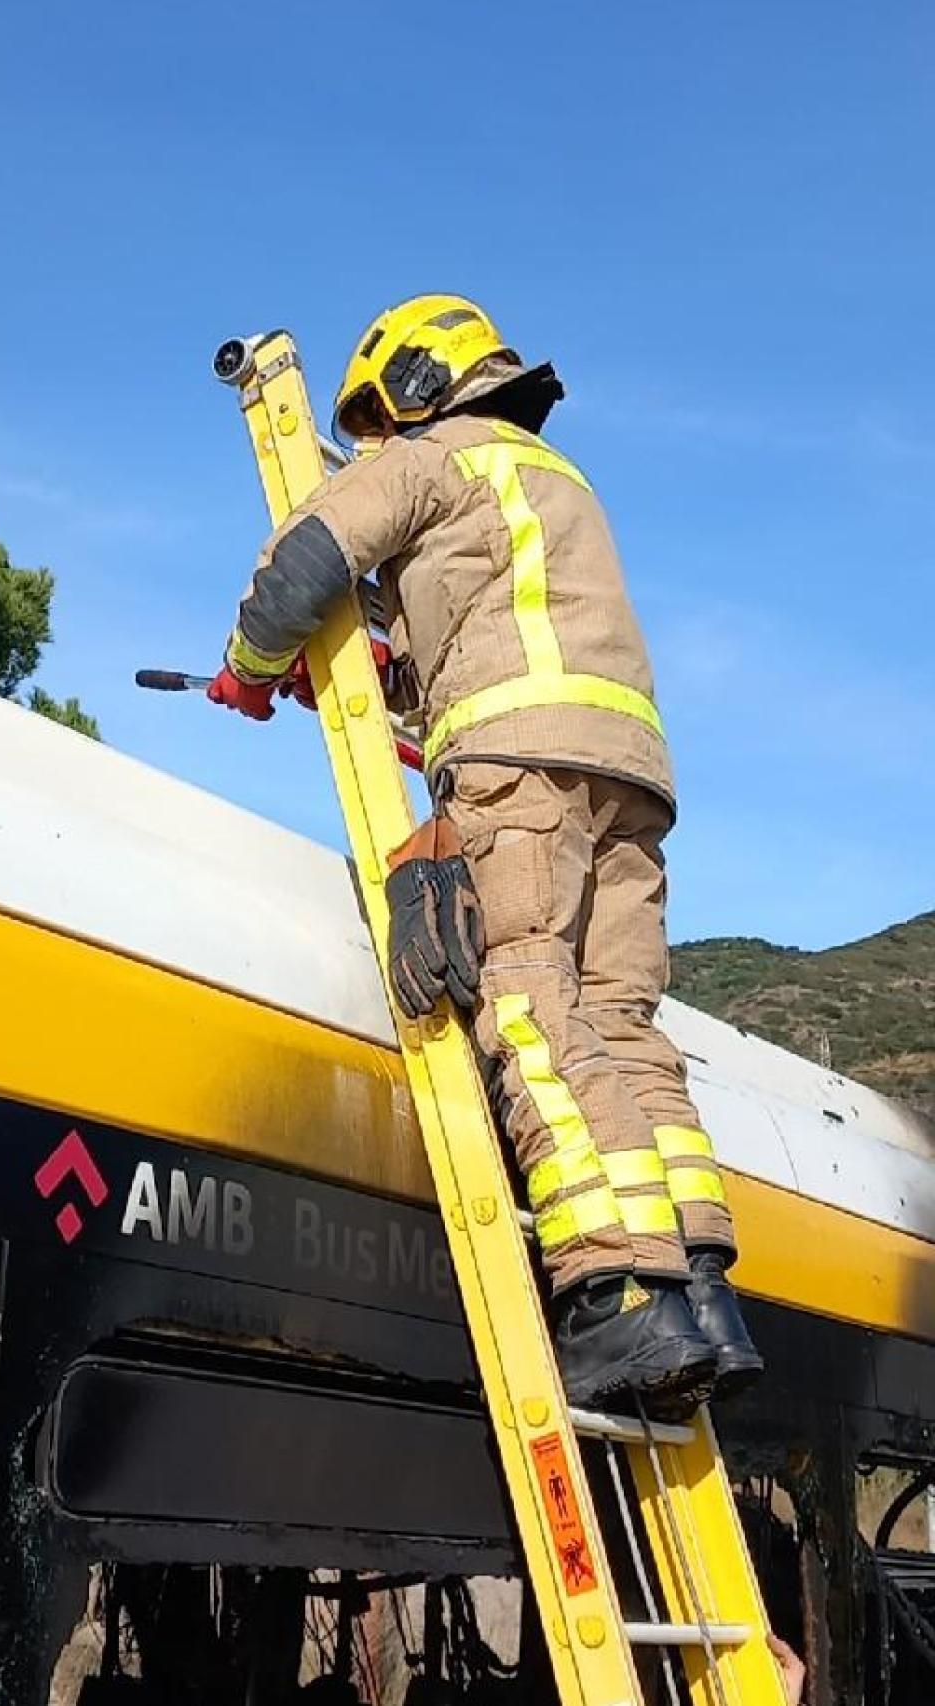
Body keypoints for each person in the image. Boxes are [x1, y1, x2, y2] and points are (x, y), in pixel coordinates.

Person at [208, 295, 762, 1417]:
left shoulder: (432, 458)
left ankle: (617, 1290)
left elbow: (304, 560)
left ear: (415, 385)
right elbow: (498, 632)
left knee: (524, 1003)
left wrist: (250, 670)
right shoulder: (555, 482)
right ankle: (699, 1286)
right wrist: (380, 677)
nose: (373, 441)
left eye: (376, 419)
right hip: (628, 785)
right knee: (620, 1025)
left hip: (519, 768)